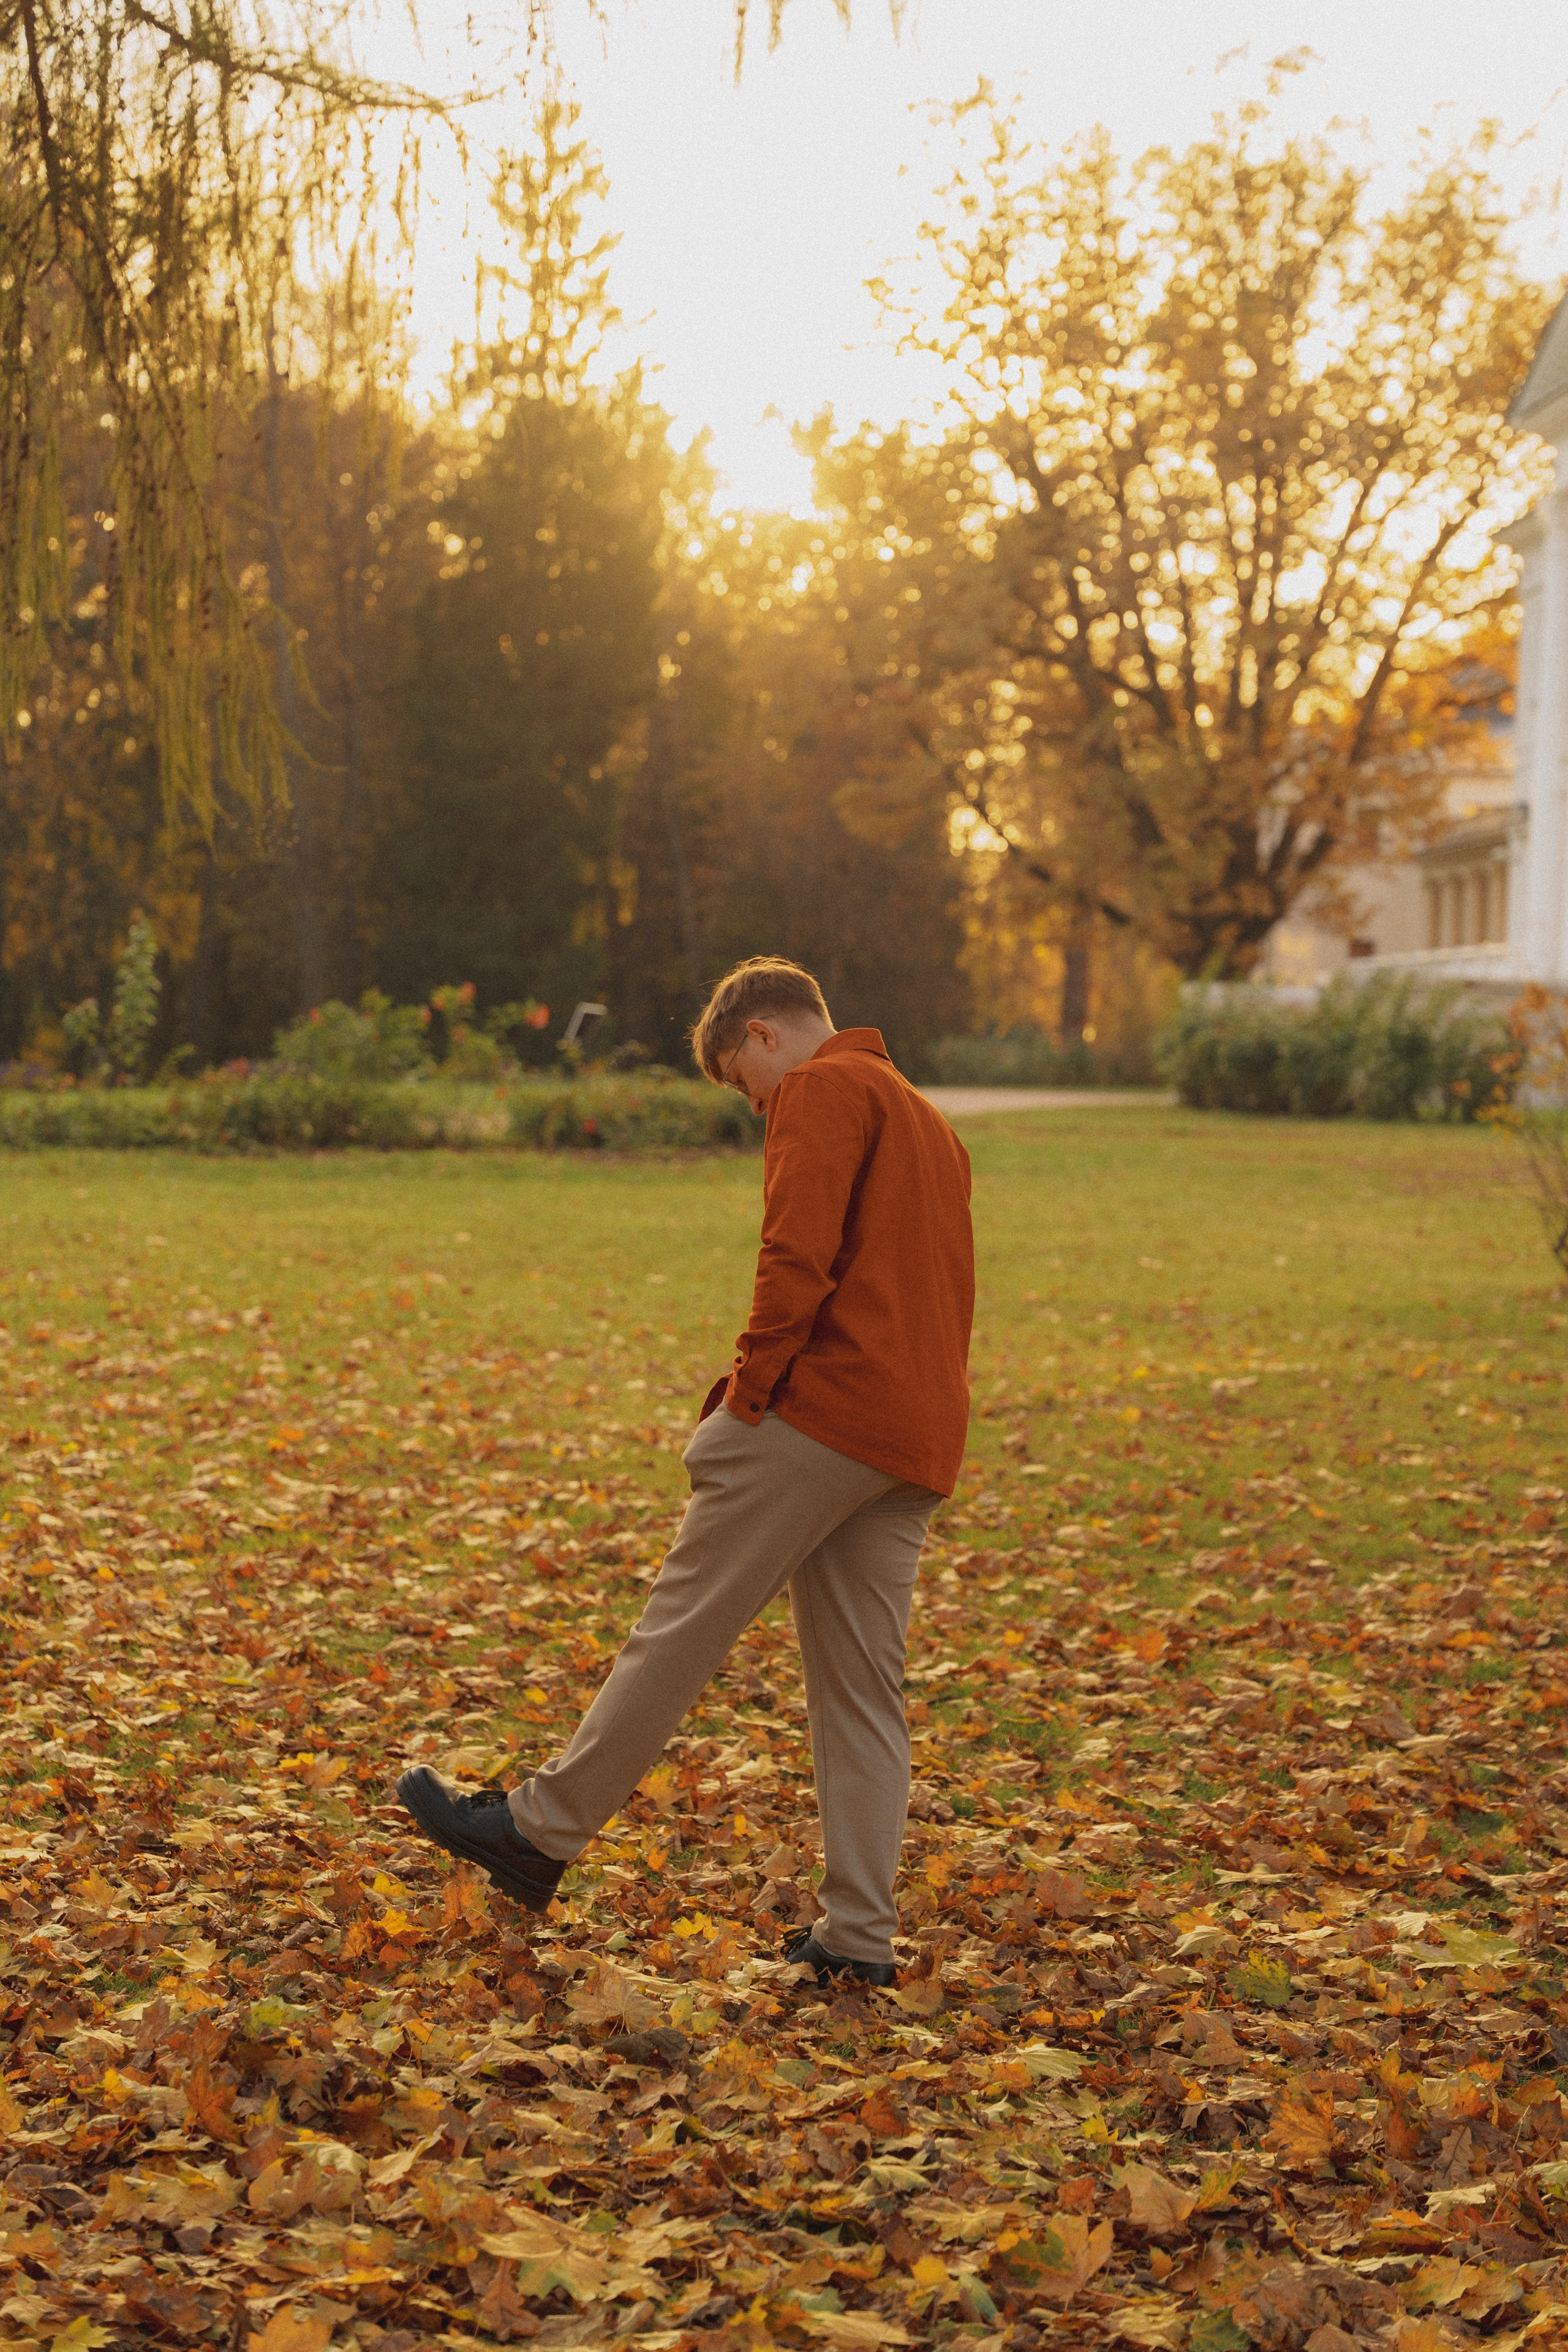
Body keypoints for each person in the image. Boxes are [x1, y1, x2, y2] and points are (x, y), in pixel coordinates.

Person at [396, 957, 975, 1986]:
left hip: (822, 1416)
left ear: (762, 1035)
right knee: (861, 1697)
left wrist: (744, 1397)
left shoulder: (821, 1086)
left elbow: (794, 1256)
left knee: (677, 1630)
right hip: (914, 1441)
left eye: (748, 1091)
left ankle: (539, 1831)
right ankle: (857, 1943)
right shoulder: (928, 1118)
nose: (761, 1110)